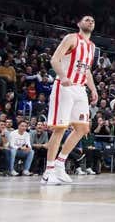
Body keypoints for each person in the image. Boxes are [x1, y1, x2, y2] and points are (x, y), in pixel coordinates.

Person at [41, 15, 99, 186]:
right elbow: (54, 59)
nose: (90, 22)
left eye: (93, 21)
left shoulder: (92, 46)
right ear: (79, 23)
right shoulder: (71, 38)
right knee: (60, 128)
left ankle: (60, 164)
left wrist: (93, 89)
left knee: (82, 128)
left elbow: (87, 70)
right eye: (87, 19)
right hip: (65, 86)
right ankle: (48, 171)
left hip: (81, 89)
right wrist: (63, 76)